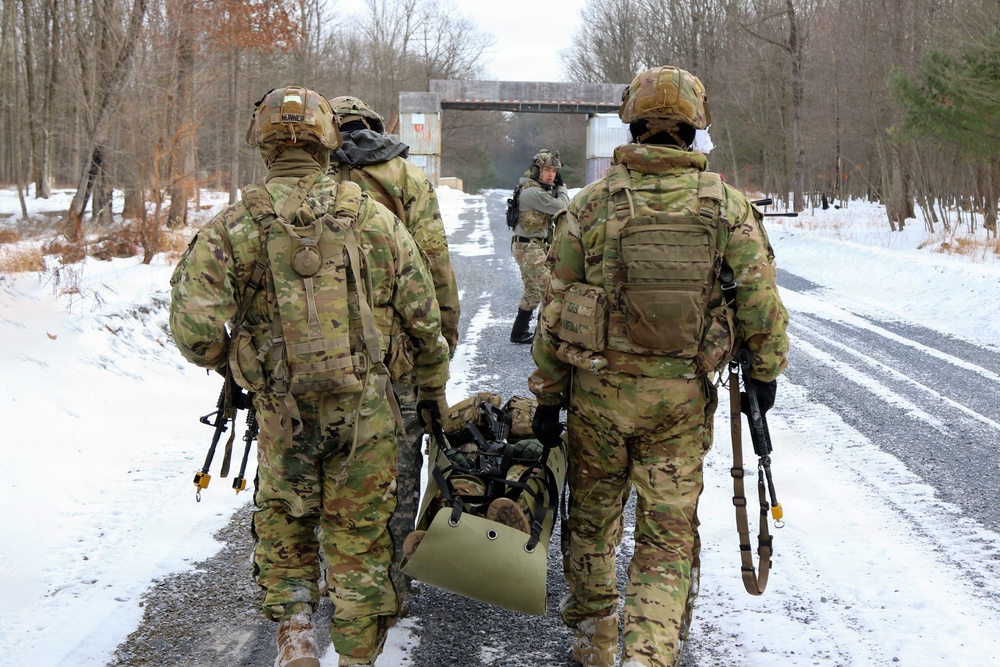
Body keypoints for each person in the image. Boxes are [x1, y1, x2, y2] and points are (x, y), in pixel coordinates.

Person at [169, 86, 450, 667]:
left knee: (287, 519)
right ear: (327, 141)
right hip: (366, 411)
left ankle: (296, 637)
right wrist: (431, 386)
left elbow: (193, 327)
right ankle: (355, 656)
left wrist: (234, 363)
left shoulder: (235, 224)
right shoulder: (372, 218)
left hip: (281, 410)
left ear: (261, 144)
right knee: (361, 536)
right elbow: (424, 317)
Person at [528, 66, 789, 667]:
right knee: (666, 535)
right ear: (693, 128)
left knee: (592, 519)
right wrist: (767, 376)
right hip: (679, 400)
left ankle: (595, 636)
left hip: (598, 397)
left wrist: (547, 395)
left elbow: (555, 304)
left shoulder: (592, 204)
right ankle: (650, 650)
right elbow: (759, 303)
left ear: (635, 122)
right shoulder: (725, 206)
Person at [326, 94, 460, 613]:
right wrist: (441, 343)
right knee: (398, 468)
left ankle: (333, 576)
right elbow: (434, 264)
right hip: (394, 356)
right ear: (375, 127)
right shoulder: (405, 178)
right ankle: (392, 586)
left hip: (311, 354)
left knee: (323, 463)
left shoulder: (312, 176)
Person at [509, 149, 570, 344]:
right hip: (529, 248)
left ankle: (518, 333)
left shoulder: (536, 188)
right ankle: (545, 336)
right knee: (549, 289)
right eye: (547, 170)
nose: (552, 174)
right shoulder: (532, 192)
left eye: (554, 171)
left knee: (533, 291)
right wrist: (562, 188)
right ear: (537, 171)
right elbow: (562, 206)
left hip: (530, 246)